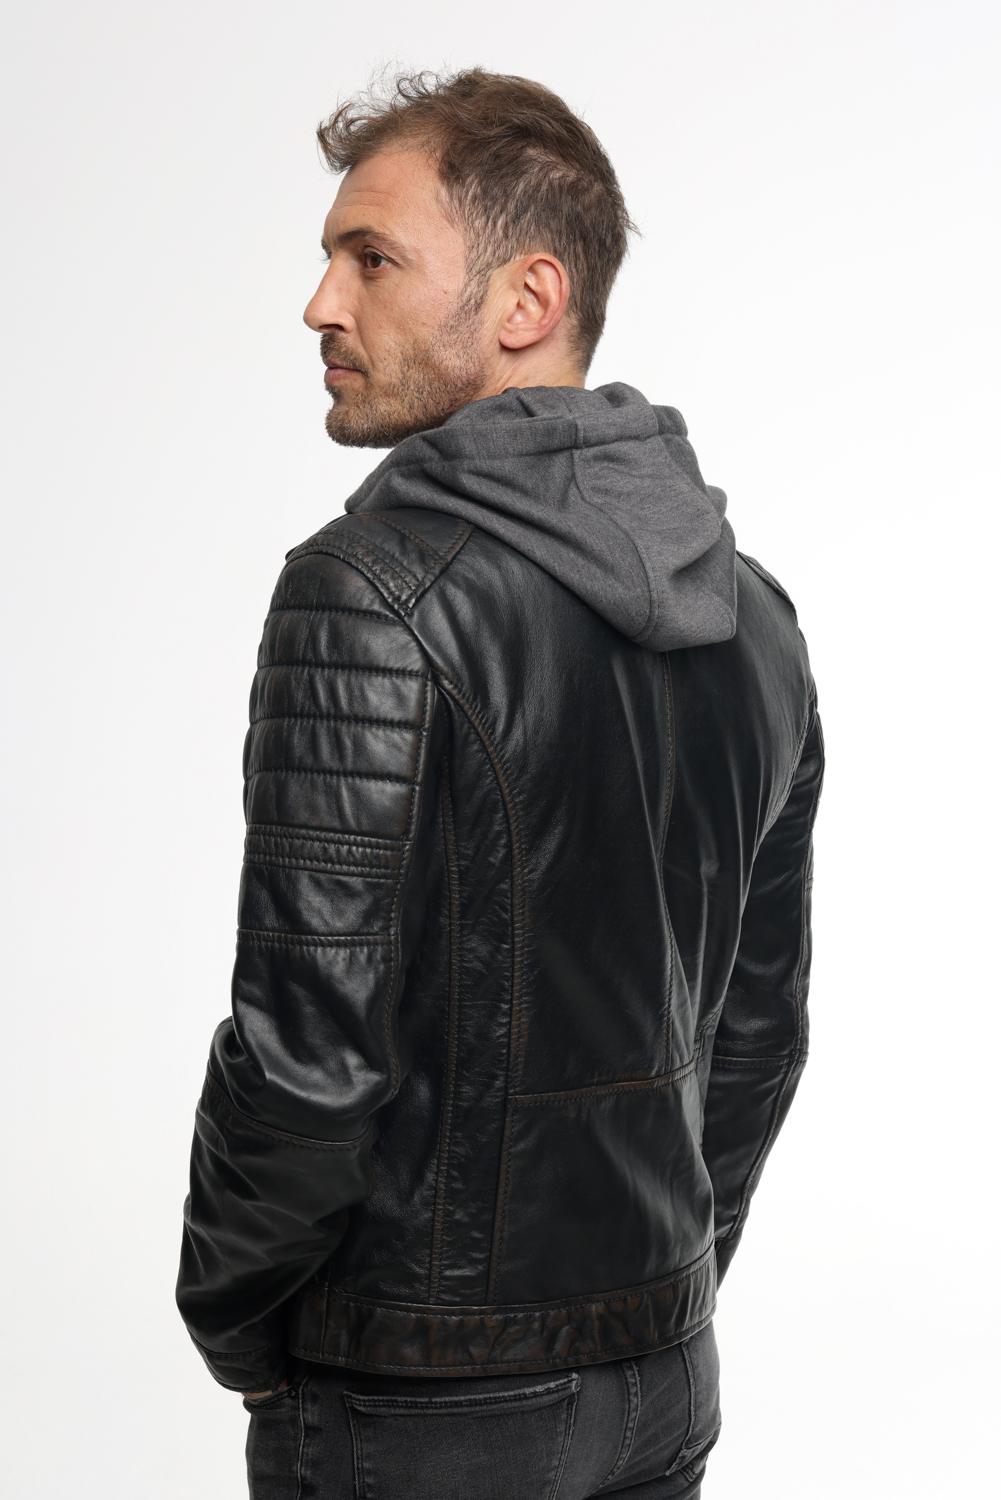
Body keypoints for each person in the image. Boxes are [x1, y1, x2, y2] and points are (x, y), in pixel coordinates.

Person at [177, 69, 824, 1500]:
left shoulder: (367, 594)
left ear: (528, 299)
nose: (319, 304)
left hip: (420, 1403)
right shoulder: (758, 619)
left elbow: (308, 1061)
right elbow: (759, 1033)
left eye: (372, 258)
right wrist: (661, 1287)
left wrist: (235, 1325)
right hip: (664, 1377)